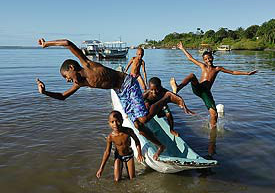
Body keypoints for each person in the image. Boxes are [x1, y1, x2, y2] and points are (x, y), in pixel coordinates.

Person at [36, 38, 193, 160]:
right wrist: (45, 92)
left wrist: (47, 44)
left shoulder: (88, 64)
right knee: (138, 125)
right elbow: (63, 96)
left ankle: (166, 97)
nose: (67, 80)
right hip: (120, 92)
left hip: (128, 83)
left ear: (71, 68)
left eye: (66, 76)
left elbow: (68, 43)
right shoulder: (80, 83)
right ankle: (160, 146)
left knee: (144, 119)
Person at [170, 41, 257, 129]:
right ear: (204, 60)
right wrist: (182, 48)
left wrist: (247, 73)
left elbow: (233, 72)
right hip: (198, 88)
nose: (208, 60)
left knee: (214, 114)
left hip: (206, 93)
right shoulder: (202, 66)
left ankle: (212, 129)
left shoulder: (217, 69)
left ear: (212, 57)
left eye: (209, 58)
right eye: (206, 59)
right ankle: (178, 88)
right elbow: (190, 58)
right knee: (192, 75)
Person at [96, 111, 144, 181]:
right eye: (112, 122)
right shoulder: (110, 137)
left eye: (117, 121)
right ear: (109, 123)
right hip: (118, 157)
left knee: (132, 178)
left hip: (129, 155)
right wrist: (101, 168)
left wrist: (139, 153)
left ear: (122, 120)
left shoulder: (128, 131)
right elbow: (107, 152)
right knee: (117, 179)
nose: (115, 124)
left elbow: (137, 141)